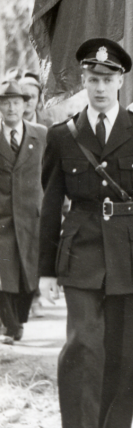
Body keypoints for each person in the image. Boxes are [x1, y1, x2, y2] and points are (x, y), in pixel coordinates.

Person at [39, 38, 133, 428]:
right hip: (80, 253)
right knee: (82, 344)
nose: (100, 88)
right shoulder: (64, 136)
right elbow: (49, 205)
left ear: (121, 81)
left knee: (122, 351)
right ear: (84, 80)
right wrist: (45, 271)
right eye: (92, 79)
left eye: (107, 79)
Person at [0, 80, 47, 344]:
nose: (11, 108)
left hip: (32, 216)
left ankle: (18, 320)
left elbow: (50, 175)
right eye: (5, 103)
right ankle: (10, 325)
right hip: (3, 218)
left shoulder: (40, 134)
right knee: (4, 275)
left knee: (30, 274)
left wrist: (56, 211)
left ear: (24, 105)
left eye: (16, 102)